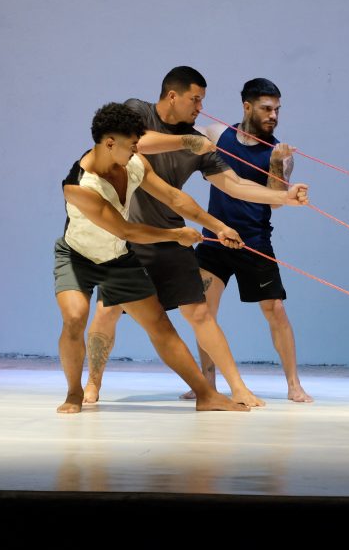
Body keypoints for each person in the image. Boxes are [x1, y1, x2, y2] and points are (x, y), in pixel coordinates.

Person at [80, 66, 309, 408]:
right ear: (173, 96)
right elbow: (136, 142)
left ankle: (235, 388)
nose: (200, 107)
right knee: (107, 312)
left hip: (173, 235)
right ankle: (92, 386)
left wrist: (285, 196)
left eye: (202, 100)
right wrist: (189, 141)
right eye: (195, 99)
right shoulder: (139, 111)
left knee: (200, 314)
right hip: (129, 235)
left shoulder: (200, 145)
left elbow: (234, 184)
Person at [55, 103, 248, 413]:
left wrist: (219, 227)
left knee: (159, 322)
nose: (137, 148)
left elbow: (174, 198)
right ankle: (74, 393)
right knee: (76, 316)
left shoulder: (134, 163)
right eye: (133, 143)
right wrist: (176, 235)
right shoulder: (79, 187)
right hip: (78, 257)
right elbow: (124, 229)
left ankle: (205, 394)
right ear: (109, 144)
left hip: (116, 257)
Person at [188, 78, 312, 402]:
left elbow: (273, 201)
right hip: (215, 239)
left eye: (277, 110)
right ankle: (207, 384)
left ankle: (294, 385)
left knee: (275, 310)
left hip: (254, 241)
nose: (274, 116)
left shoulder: (280, 153)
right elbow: (181, 135)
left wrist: (276, 166)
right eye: (266, 108)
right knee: (203, 311)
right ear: (247, 107)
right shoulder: (217, 135)